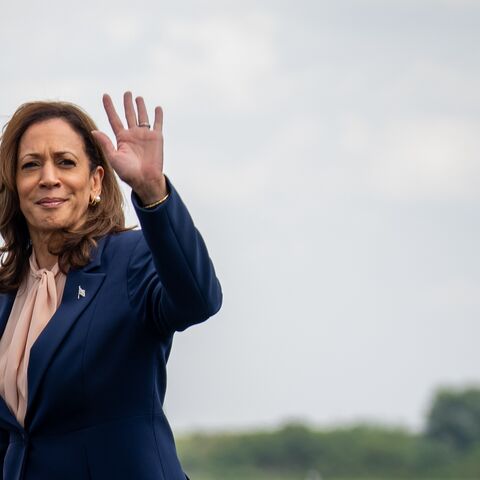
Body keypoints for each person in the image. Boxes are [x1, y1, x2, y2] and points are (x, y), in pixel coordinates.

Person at [0, 92, 222, 479]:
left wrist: (153, 192)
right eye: (31, 165)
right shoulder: (6, 294)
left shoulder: (130, 260)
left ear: (95, 181)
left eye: (65, 163)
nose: (48, 178)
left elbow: (198, 300)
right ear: (15, 185)